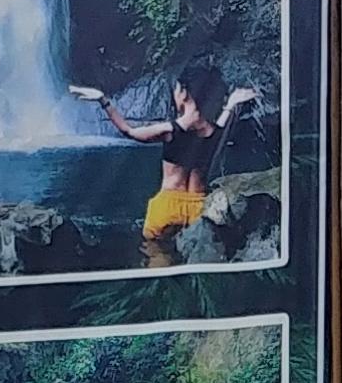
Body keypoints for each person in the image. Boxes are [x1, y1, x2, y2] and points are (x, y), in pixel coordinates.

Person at [101, 61, 262, 247]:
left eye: (176, 91)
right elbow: (221, 124)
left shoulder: (171, 129)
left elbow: (129, 131)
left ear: (184, 93)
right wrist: (232, 102)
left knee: (156, 255)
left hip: (167, 206)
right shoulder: (213, 132)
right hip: (198, 207)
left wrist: (103, 100)